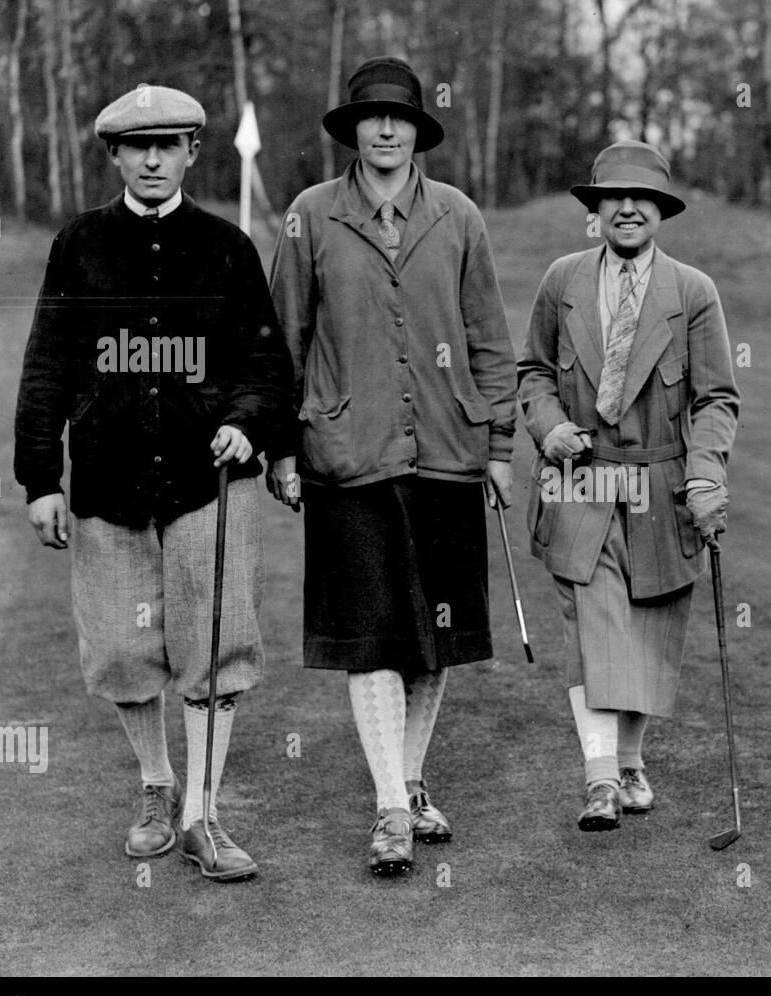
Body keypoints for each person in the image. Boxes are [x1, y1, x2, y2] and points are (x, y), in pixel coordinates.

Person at [13, 84, 293, 882]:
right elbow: (47, 369)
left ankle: (204, 814)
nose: (152, 158)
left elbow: (267, 362)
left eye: (168, 144)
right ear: (113, 154)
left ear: (194, 152)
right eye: (137, 146)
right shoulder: (78, 245)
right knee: (123, 646)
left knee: (215, 646)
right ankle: (156, 786)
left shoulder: (228, 248)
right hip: (108, 479)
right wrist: (40, 477)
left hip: (212, 483)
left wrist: (246, 419)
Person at [267, 57, 516, 876]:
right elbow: (283, 343)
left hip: (447, 453)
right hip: (348, 457)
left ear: (417, 130)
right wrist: (283, 447)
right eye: (370, 118)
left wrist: (504, 447)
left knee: (430, 639)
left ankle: (410, 783)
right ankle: (387, 809)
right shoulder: (310, 215)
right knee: (371, 635)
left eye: (398, 119)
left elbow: (488, 340)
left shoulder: (458, 216)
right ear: (351, 130)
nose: (384, 130)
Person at [518, 140, 739, 832]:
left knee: (645, 632)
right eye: (614, 198)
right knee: (592, 628)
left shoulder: (693, 292)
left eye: (643, 199)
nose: (628, 209)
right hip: (579, 482)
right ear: (597, 210)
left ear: (662, 211)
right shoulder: (563, 281)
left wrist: (705, 475)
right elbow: (532, 374)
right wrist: (548, 428)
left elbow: (717, 400)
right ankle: (600, 780)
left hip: (663, 490)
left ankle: (632, 761)